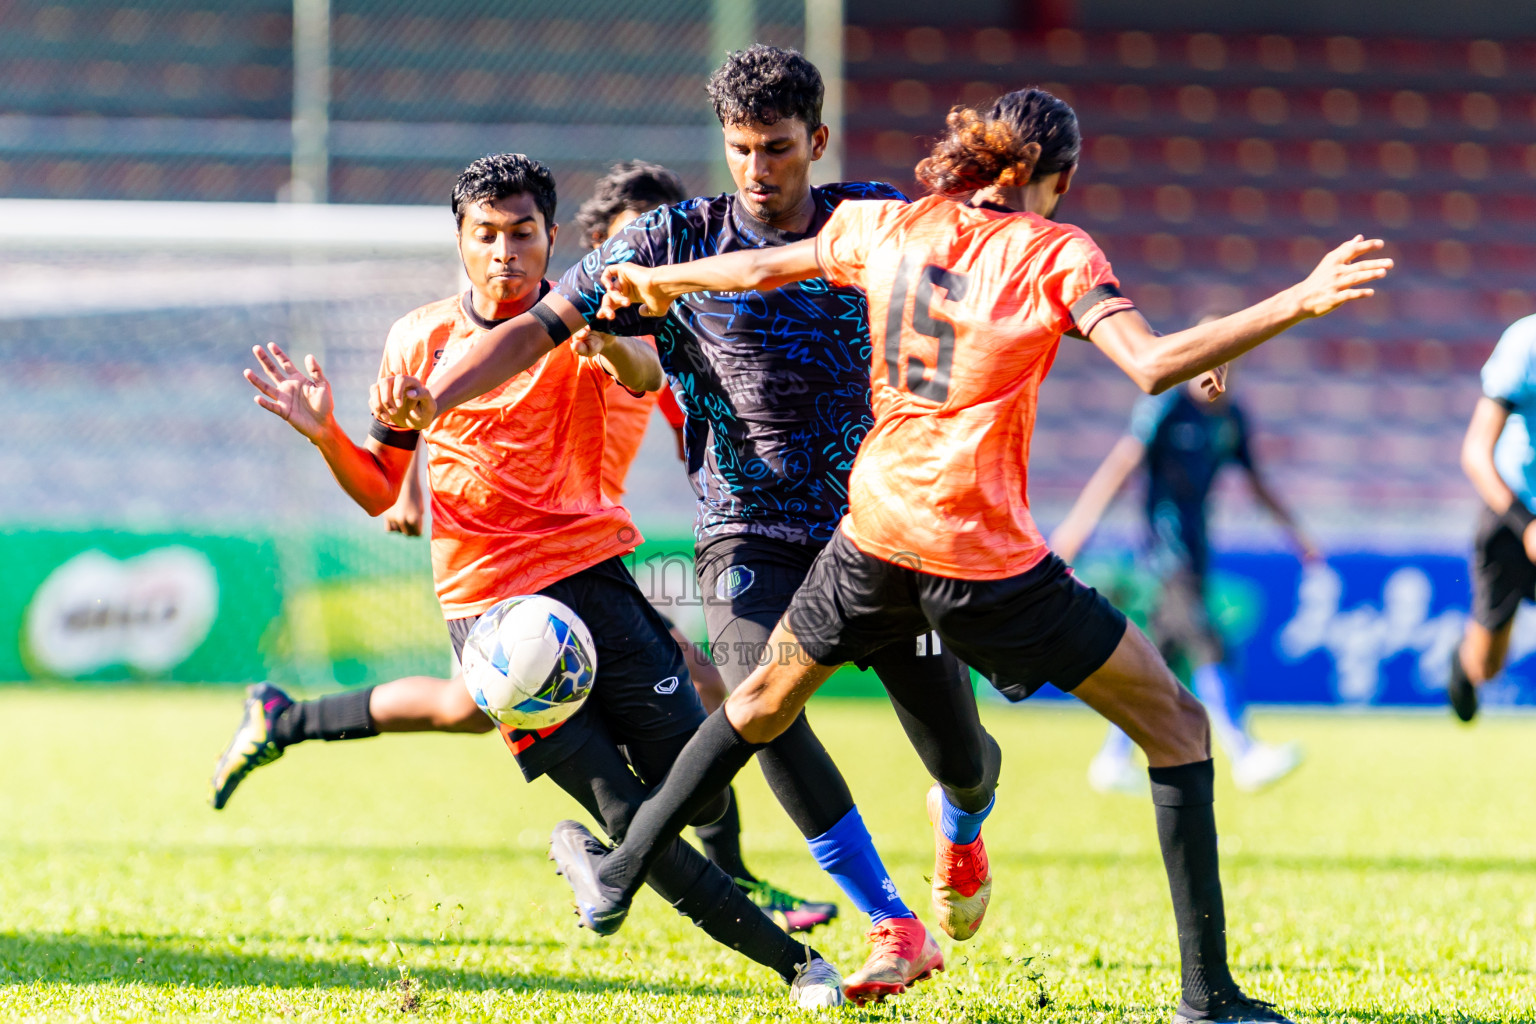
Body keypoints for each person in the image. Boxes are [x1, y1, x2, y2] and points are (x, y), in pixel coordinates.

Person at [515, 89, 1390, 1024]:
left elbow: (779, 263)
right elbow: (1150, 362)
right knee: (1177, 728)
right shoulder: (1057, 250)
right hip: (980, 555)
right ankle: (1208, 999)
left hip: (871, 534)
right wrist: (1298, 300)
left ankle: (618, 869)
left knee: (761, 702)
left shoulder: (896, 224)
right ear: (1058, 179)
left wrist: (671, 284)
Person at [373, 47, 993, 1004]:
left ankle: (961, 827)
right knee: (759, 697)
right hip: (744, 524)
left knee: (959, 751)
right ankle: (891, 924)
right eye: (740, 148)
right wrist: (429, 400)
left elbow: (991, 279)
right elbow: (537, 323)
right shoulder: (666, 239)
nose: (756, 168)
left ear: (815, 143)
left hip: (878, 520)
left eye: (777, 148)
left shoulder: (874, 219)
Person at [231, 152, 844, 1009]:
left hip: (595, 582)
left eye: (522, 233)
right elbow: (381, 486)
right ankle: (801, 970)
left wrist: (611, 345)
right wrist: (328, 433)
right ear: (461, 240)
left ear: (551, 236)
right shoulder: (419, 338)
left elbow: (644, 376)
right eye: (486, 235)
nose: (505, 252)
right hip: (491, 621)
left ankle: (613, 861)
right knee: (627, 813)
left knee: (682, 788)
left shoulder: (576, 318)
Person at [1051, 344, 1317, 794]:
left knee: (1159, 662)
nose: (1217, 374)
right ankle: (1244, 751)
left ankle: (1113, 758)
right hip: (1164, 554)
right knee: (1208, 641)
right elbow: (1123, 465)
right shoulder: (1165, 407)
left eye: (1228, 364)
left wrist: (1297, 534)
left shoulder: (1229, 417)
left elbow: (1255, 482)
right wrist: (1078, 528)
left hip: (1197, 550)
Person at [1447, 313, 1536, 722]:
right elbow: (1475, 452)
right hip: (1512, 512)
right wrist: (1526, 524)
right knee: (1488, 666)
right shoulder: (1525, 343)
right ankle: (1465, 665)